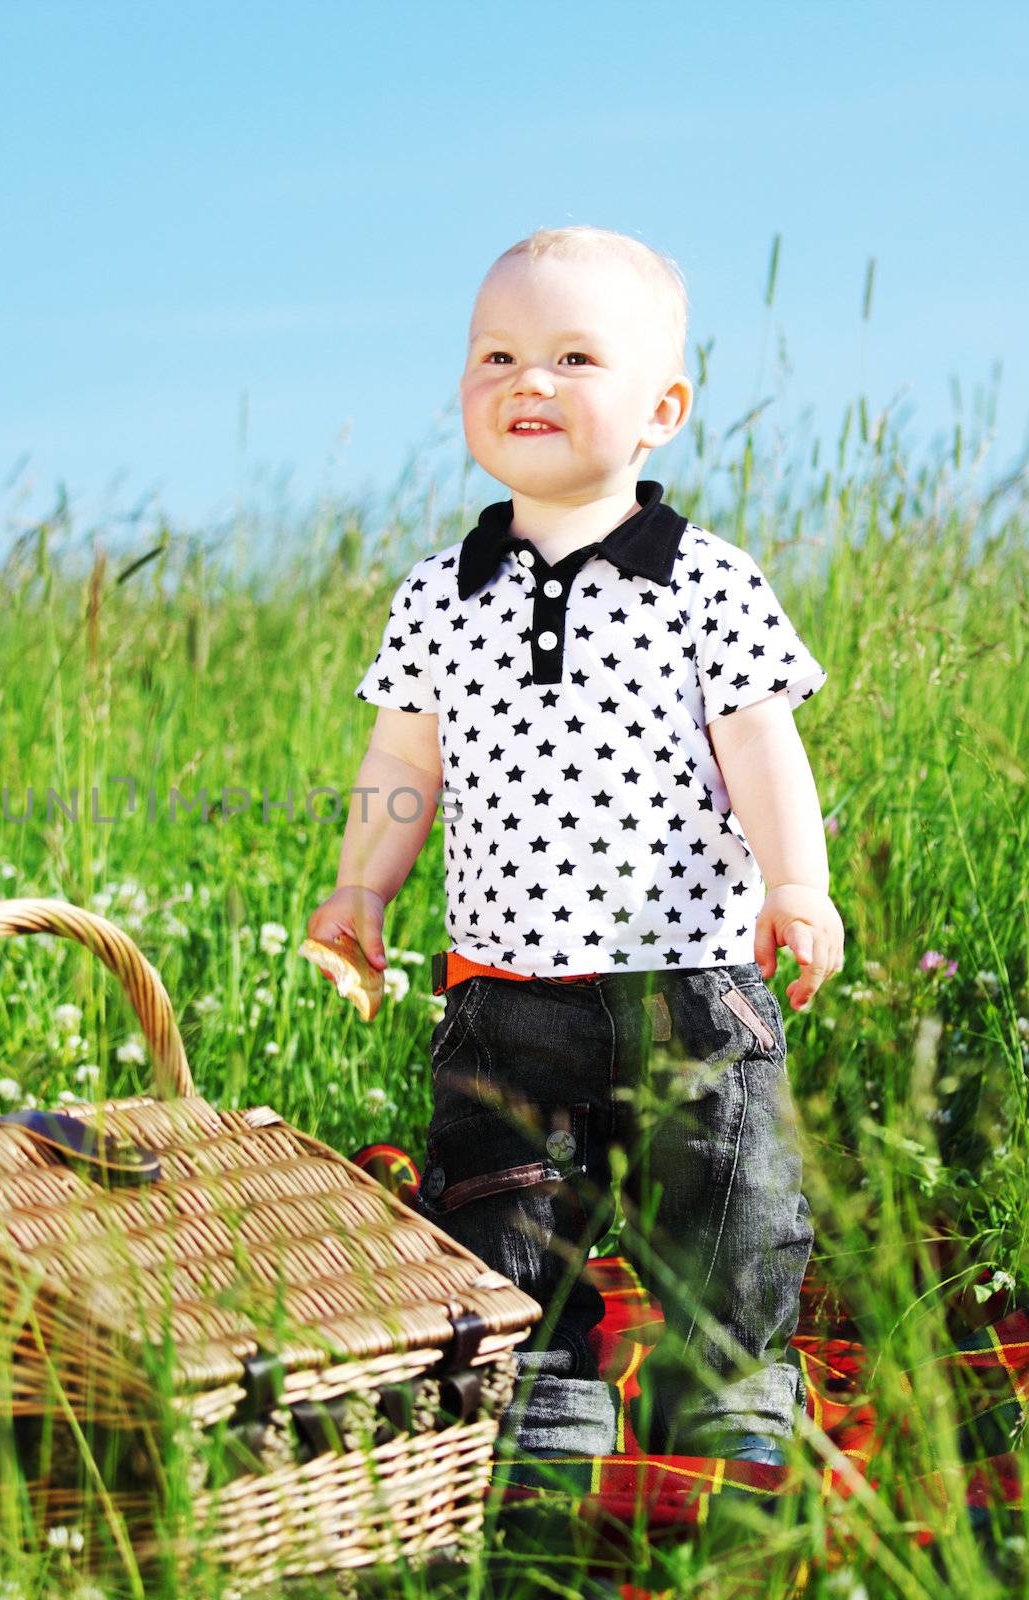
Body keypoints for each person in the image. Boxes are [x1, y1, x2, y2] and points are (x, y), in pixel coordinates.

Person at [307, 226, 844, 1466]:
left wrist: (796, 882)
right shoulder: (438, 591)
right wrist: (359, 888)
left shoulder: (705, 581)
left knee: (723, 1182)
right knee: (498, 1185)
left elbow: (762, 748)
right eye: (495, 353)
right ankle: (545, 1370)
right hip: (503, 981)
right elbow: (403, 762)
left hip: (686, 971)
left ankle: (729, 1373)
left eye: (571, 355)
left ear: (661, 407)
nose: (526, 380)